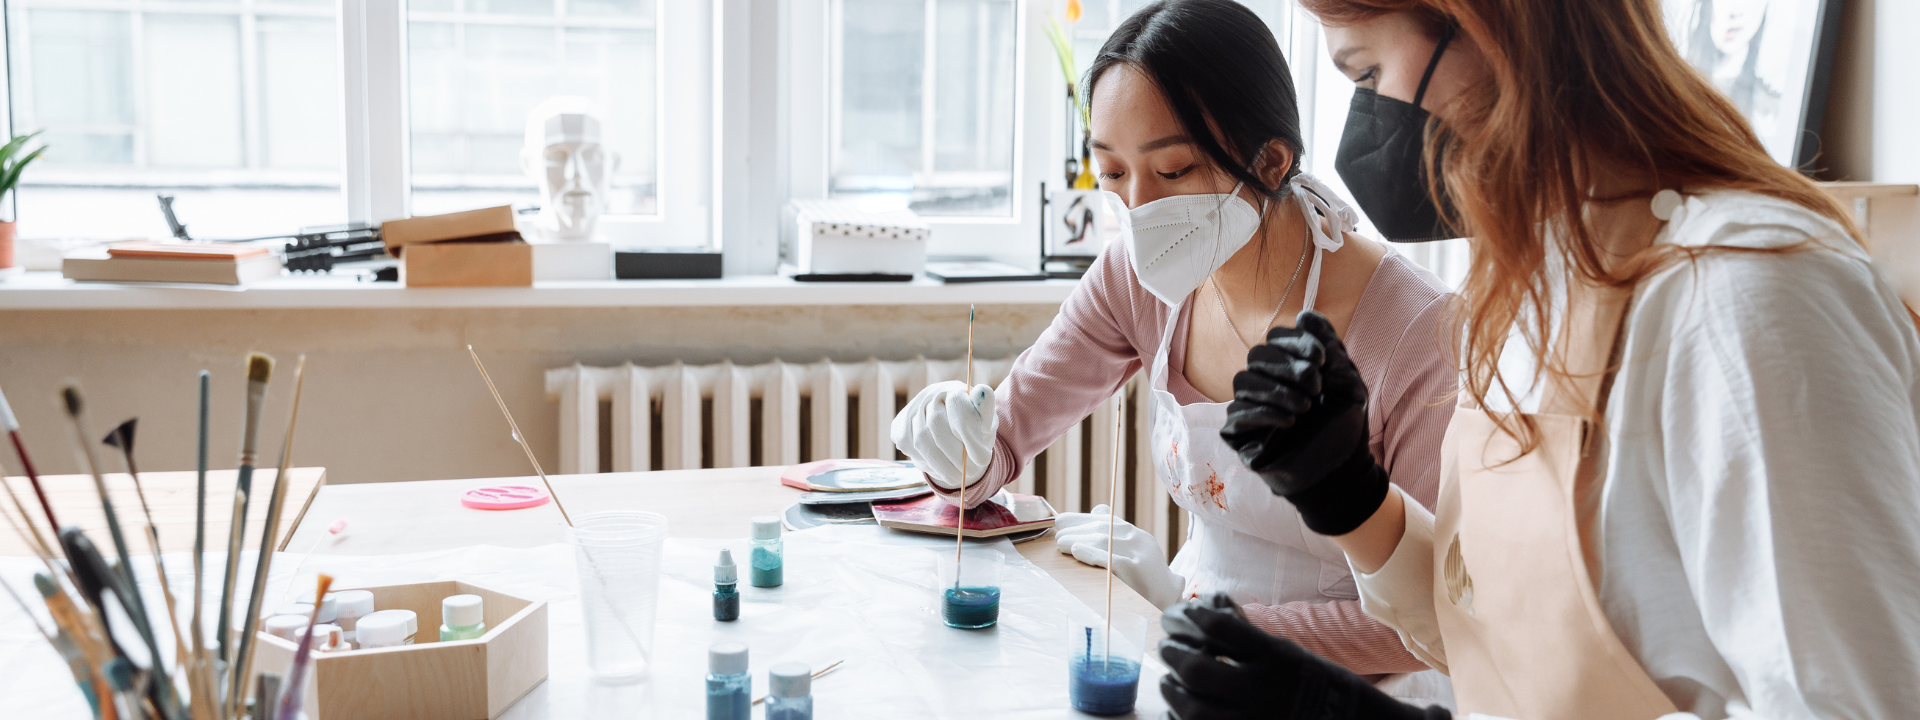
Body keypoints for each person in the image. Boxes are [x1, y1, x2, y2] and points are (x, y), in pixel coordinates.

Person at [1156, 1, 1920, 719]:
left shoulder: (1743, 298)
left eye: (1365, 74)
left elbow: (1857, 702)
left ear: (1487, 24)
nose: (1363, 125)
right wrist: (1349, 498)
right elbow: (1501, 630)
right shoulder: (1533, 282)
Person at [889, 0, 1457, 705]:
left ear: (1272, 161)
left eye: (1175, 169)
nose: (1140, 208)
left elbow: (1432, 619)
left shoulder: (1416, 334)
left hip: (1362, 693)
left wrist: (1190, 615)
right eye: (1114, 173)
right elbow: (1003, 435)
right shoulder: (1138, 276)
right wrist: (959, 456)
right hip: (1186, 651)